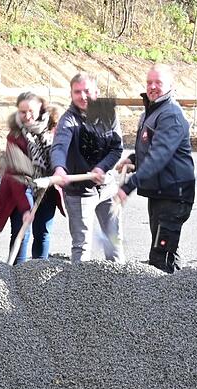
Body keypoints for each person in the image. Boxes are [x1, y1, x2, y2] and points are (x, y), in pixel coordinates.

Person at [116, 64, 195, 273]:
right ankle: (177, 294)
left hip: (174, 195)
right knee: (166, 251)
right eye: (149, 82)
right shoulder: (153, 111)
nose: (152, 87)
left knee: (161, 256)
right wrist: (133, 159)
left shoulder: (170, 114)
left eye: (158, 82)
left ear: (170, 85)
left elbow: (159, 156)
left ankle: (168, 302)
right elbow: (151, 149)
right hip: (160, 194)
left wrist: (128, 186)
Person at [50, 73, 125, 263]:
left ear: (96, 93)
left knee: (114, 240)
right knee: (81, 246)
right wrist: (59, 168)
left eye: (87, 91)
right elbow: (59, 146)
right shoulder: (68, 121)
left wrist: (102, 168)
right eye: (77, 92)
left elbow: (116, 148)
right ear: (71, 94)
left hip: (107, 187)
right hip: (80, 193)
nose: (83, 96)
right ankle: (78, 290)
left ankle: (122, 285)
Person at [0, 92, 63, 263]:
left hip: (48, 188)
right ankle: (17, 275)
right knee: (21, 232)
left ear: (40, 109)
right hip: (21, 190)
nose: (27, 116)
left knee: (43, 232)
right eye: (23, 112)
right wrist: (25, 208)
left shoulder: (53, 131)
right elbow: (17, 175)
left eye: (31, 111)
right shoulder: (15, 136)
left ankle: (39, 273)